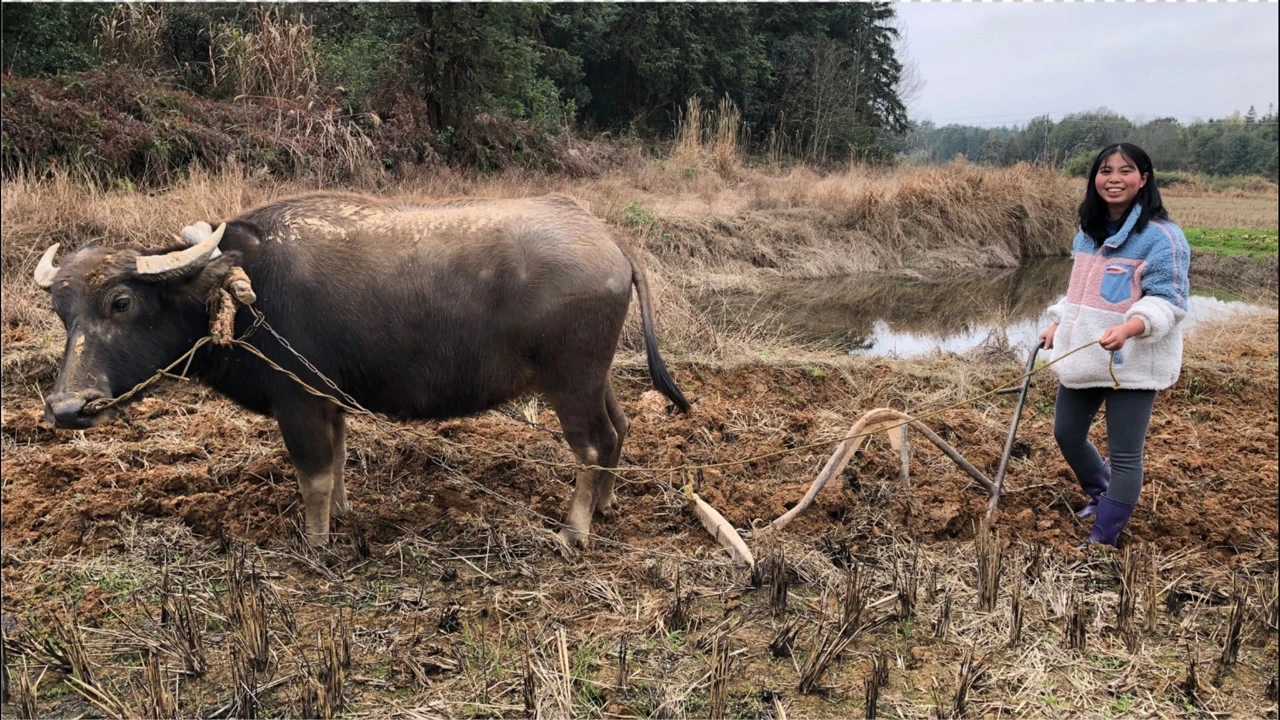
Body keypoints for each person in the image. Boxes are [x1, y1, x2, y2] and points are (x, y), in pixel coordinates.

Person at [1039, 142, 1190, 548]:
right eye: (1105, 171)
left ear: (1143, 178)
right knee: (1067, 434)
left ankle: (1104, 535)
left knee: (1125, 454)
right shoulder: (1087, 235)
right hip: (1086, 354)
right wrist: (1057, 323)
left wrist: (1131, 327)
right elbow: (1079, 293)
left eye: (1126, 171)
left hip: (1135, 361)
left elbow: (1168, 301)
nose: (1114, 179)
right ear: (1095, 179)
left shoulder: (1163, 238)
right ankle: (1101, 495)